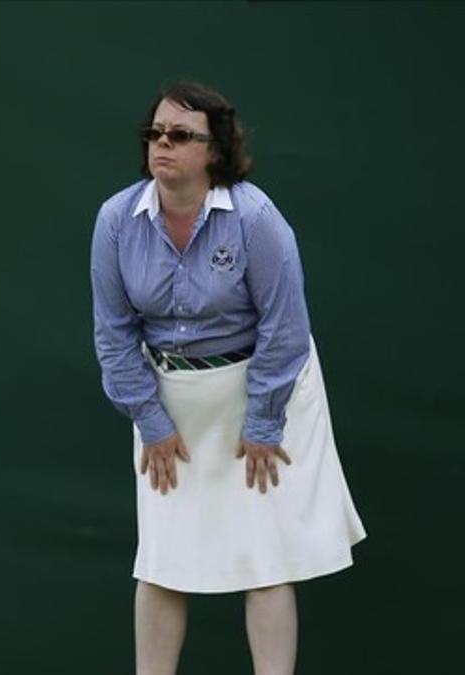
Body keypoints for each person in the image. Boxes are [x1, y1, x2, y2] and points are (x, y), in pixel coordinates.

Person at [89, 81, 365, 675]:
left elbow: (286, 326)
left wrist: (265, 423)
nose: (162, 143)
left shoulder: (255, 218)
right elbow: (113, 335)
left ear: (214, 152)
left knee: (264, 554)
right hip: (170, 404)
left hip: (268, 389)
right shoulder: (116, 220)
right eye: (156, 133)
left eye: (180, 135)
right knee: (162, 557)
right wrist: (151, 422)